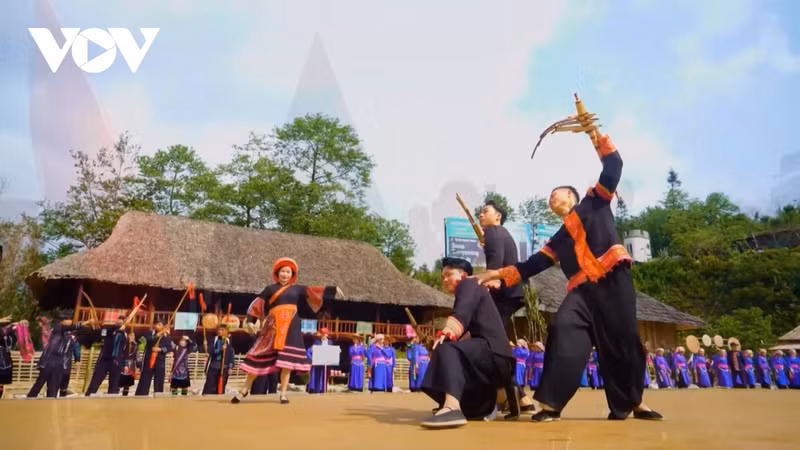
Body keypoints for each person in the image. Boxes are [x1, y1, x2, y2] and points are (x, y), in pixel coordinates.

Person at [472, 134, 660, 422]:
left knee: (624, 341)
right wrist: (496, 273)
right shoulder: (559, 239)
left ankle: (633, 403)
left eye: (554, 193)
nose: (551, 198)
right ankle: (552, 404)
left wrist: (594, 133)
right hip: (583, 294)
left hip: (614, 282)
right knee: (562, 328)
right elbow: (532, 265)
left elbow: (614, 165)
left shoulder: (595, 201)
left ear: (570, 196)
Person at [419, 257, 519, 429]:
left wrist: (447, 333)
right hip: (500, 360)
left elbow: (461, 314)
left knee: (446, 349)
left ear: (464, 275)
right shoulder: (477, 292)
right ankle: (504, 394)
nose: (444, 279)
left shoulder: (468, 284)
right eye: (442, 276)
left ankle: (451, 407)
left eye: (449, 274)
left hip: (492, 352)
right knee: (450, 354)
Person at [232, 257, 343, 404]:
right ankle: (244, 390)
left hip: (291, 325)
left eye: (288, 272)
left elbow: (314, 290)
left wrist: (332, 289)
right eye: (283, 271)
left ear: (292, 274)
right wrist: (251, 320)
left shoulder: (297, 289)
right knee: (259, 355)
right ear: (277, 273)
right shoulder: (270, 289)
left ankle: (283, 393)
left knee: (287, 362)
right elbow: (258, 303)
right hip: (273, 326)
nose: (285, 274)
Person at [479, 200, 535, 412]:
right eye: (480, 213)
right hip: (512, 292)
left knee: (493, 343)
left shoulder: (494, 231)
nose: (481, 216)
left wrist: (491, 278)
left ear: (498, 216)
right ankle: (518, 396)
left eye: (486, 212)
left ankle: (512, 393)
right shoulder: (502, 234)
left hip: (501, 292)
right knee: (496, 341)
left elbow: (496, 261)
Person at [28, 311, 95, 398]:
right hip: (49, 360)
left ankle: (50, 403)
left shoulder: (69, 334)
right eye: (68, 319)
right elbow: (72, 327)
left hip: (60, 362)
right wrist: (87, 322)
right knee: (39, 383)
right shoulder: (58, 328)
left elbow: (79, 333)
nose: (70, 321)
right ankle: (29, 400)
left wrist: (91, 326)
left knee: (54, 386)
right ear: (62, 321)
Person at [85, 316, 128, 396]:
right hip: (104, 360)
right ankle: (89, 395)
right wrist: (114, 328)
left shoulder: (124, 335)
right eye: (117, 322)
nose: (118, 324)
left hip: (116, 362)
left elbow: (125, 350)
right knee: (95, 381)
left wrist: (125, 364)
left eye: (120, 323)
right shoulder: (108, 330)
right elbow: (100, 333)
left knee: (114, 384)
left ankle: (111, 401)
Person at [135, 320, 171, 396]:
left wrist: (160, 349)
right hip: (148, 360)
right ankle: (140, 396)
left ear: (163, 326)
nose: (156, 326)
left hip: (160, 361)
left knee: (159, 380)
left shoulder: (166, 336)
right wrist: (159, 333)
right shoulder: (148, 333)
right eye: (156, 324)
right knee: (144, 379)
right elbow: (144, 341)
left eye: (159, 324)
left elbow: (169, 347)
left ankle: (158, 396)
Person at [203, 324, 235, 395]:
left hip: (224, 367)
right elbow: (210, 351)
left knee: (221, 386)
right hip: (213, 366)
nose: (220, 331)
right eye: (219, 330)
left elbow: (231, 354)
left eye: (222, 330)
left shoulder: (228, 340)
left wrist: (231, 366)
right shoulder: (214, 339)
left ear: (226, 331)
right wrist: (220, 349)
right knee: (209, 386)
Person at [0, 316, 25, 399]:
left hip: (5, 358)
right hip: (2, 358)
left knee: (2, 381)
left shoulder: (9, 333)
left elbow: (12, 331)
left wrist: (17, 325)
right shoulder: (3, 332)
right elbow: (6, 331)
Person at [307, 328, 333, 394]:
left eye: (325, 334)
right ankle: (316, 390)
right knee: (317, 377)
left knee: (325, 377)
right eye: (322, 334)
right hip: (318, 363)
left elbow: (332, 352)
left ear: (327, 335)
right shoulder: (317, 342)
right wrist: (312, 359)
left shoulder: (330, 342)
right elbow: (309, 351)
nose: (323, 335)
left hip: (327, 363)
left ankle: (324, 390)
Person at [59, 332, 81, 397]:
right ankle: (62, 393)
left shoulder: (56, 334)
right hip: (65, 363)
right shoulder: (72, 338)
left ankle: (61, 394)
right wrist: (77, 360)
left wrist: (77, 360)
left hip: (62, 362)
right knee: (63, 383)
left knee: (61, 383)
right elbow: (77, 349)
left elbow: (76, 348)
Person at [119, 330, 139, 396]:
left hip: (131, 364)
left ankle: (125, 395)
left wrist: (138, 365)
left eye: (133, 336)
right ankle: (115, 393)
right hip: (123, 363)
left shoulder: (135, 345)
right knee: (120, 380)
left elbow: (136, 355)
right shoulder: (124, 344)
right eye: (131, 336)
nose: (132, 337)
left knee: (128, 382)